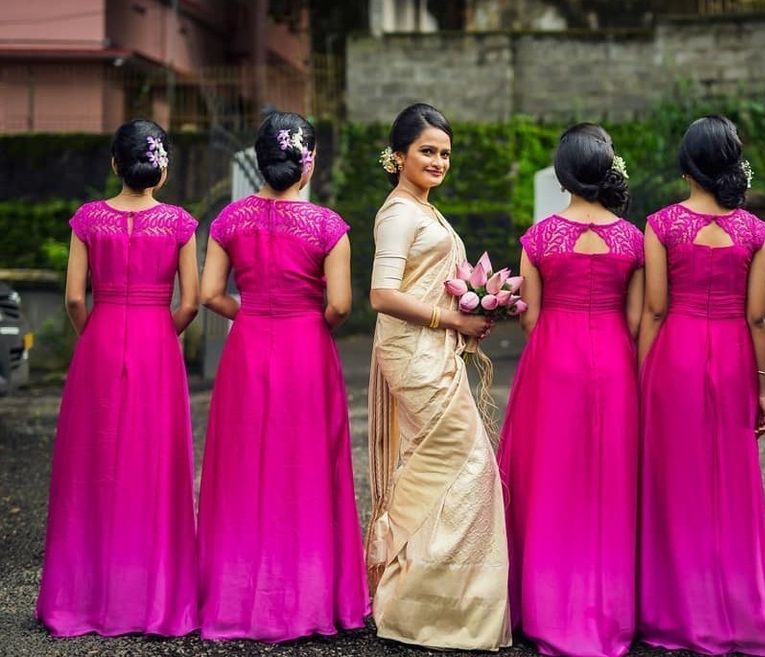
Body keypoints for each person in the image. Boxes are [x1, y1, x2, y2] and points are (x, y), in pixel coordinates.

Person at [196, 111, 369, 641]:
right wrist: (307, 320)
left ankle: (235, 595)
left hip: (248, 346)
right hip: (306, 348)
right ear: (307, 161)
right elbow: (339, 305)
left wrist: (249, 314)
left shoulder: (228, 221)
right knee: (309, 466)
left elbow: (208, 296)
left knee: (243, 466)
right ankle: (313, 597)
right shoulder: (328, 227)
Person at [638, 115, 765, 655]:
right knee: (730, 481)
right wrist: (762, 389)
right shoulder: (755, 232)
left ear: (687, 164)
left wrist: (642, 374)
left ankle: (678, 609)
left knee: (676, 481)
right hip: (732, 358)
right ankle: (737, 605)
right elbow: (758, 318)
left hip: (676, 356)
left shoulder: (660, 225)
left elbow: (655, 309)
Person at [37, 119, 199, 637]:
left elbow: (74, 298)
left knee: (93, 464)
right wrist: (158, 332)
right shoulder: (179, 223)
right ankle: (151, 597)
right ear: (162, 166)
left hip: (99, 343)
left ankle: (83, 597)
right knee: (153, 464)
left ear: (115, 164)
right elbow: (192, 302)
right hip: (157, 342)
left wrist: (96, 337)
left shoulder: (87, 219)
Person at [365, 102, 511, 651]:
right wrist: (453, 317)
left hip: (435, 348)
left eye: (445, 153)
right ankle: (426, 607)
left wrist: (476, 313)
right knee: (468, 464)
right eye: (427, 151)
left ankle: (427, 604)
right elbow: (381, 295)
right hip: (413, 352)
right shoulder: (399, 212)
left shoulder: (426, 209)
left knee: (440, 466)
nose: (438, 161)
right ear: (397, 155)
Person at [498, 123, 644, 657]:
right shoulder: (632, 239)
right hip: (611, 364)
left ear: (563, 175)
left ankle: (542, 604)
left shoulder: (538, 238)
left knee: (548, 481)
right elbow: (635, 320)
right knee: (609, 482)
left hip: (551, 364)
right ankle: (609, 607)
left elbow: (530, 319)